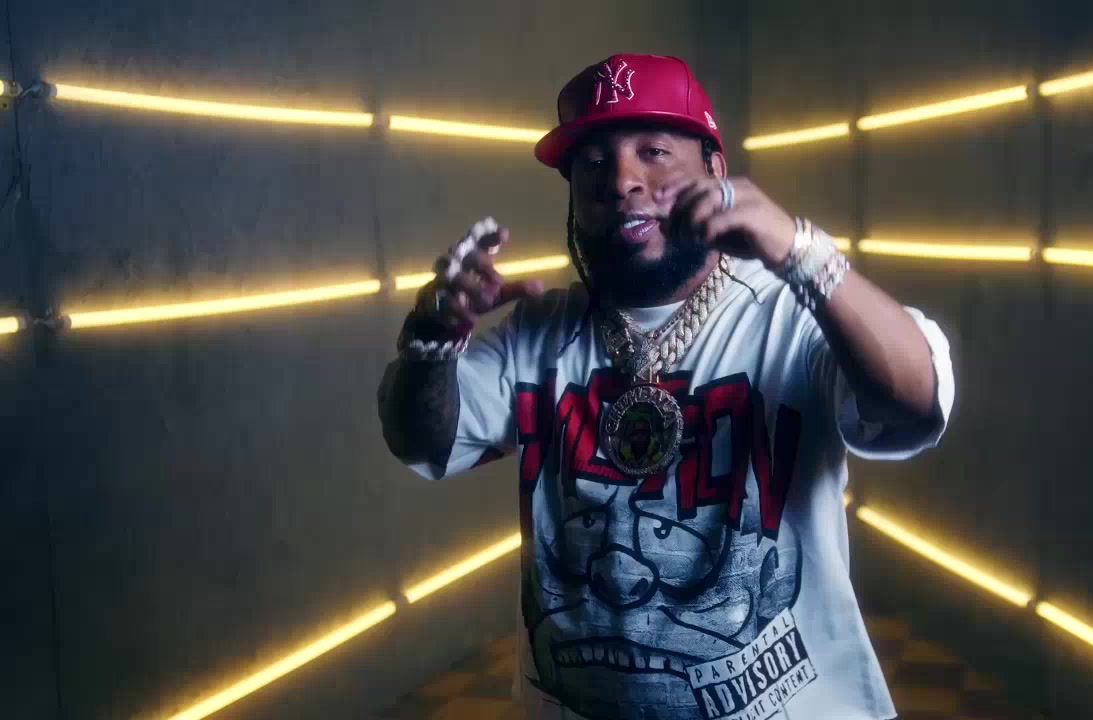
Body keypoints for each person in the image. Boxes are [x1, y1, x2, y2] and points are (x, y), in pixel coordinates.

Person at [379, 53, 955, 720]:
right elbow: (421, 437)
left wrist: (802, 251)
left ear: (715, 168)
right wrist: (430, 341)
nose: (621, 180)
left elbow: (915, 403)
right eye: (592, 163)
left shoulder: (793, 314)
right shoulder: (538, 331)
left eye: (652, 151)